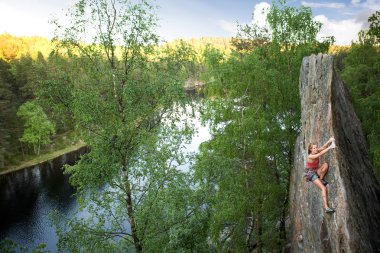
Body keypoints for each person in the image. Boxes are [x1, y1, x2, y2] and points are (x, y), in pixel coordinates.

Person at [306, 137, 336, 213]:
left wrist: (329, 140)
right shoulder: (310, 156)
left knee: (325, 165)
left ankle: (321, 179)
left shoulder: (316, 151)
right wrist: (331, 147)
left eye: (316, 147)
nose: (316, 149)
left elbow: (323, 147)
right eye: (314, 148)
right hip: (311, 174)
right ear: (311, 150)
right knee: (323, 188)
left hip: (316, 171)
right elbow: (320, 153)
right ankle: (326, 207)